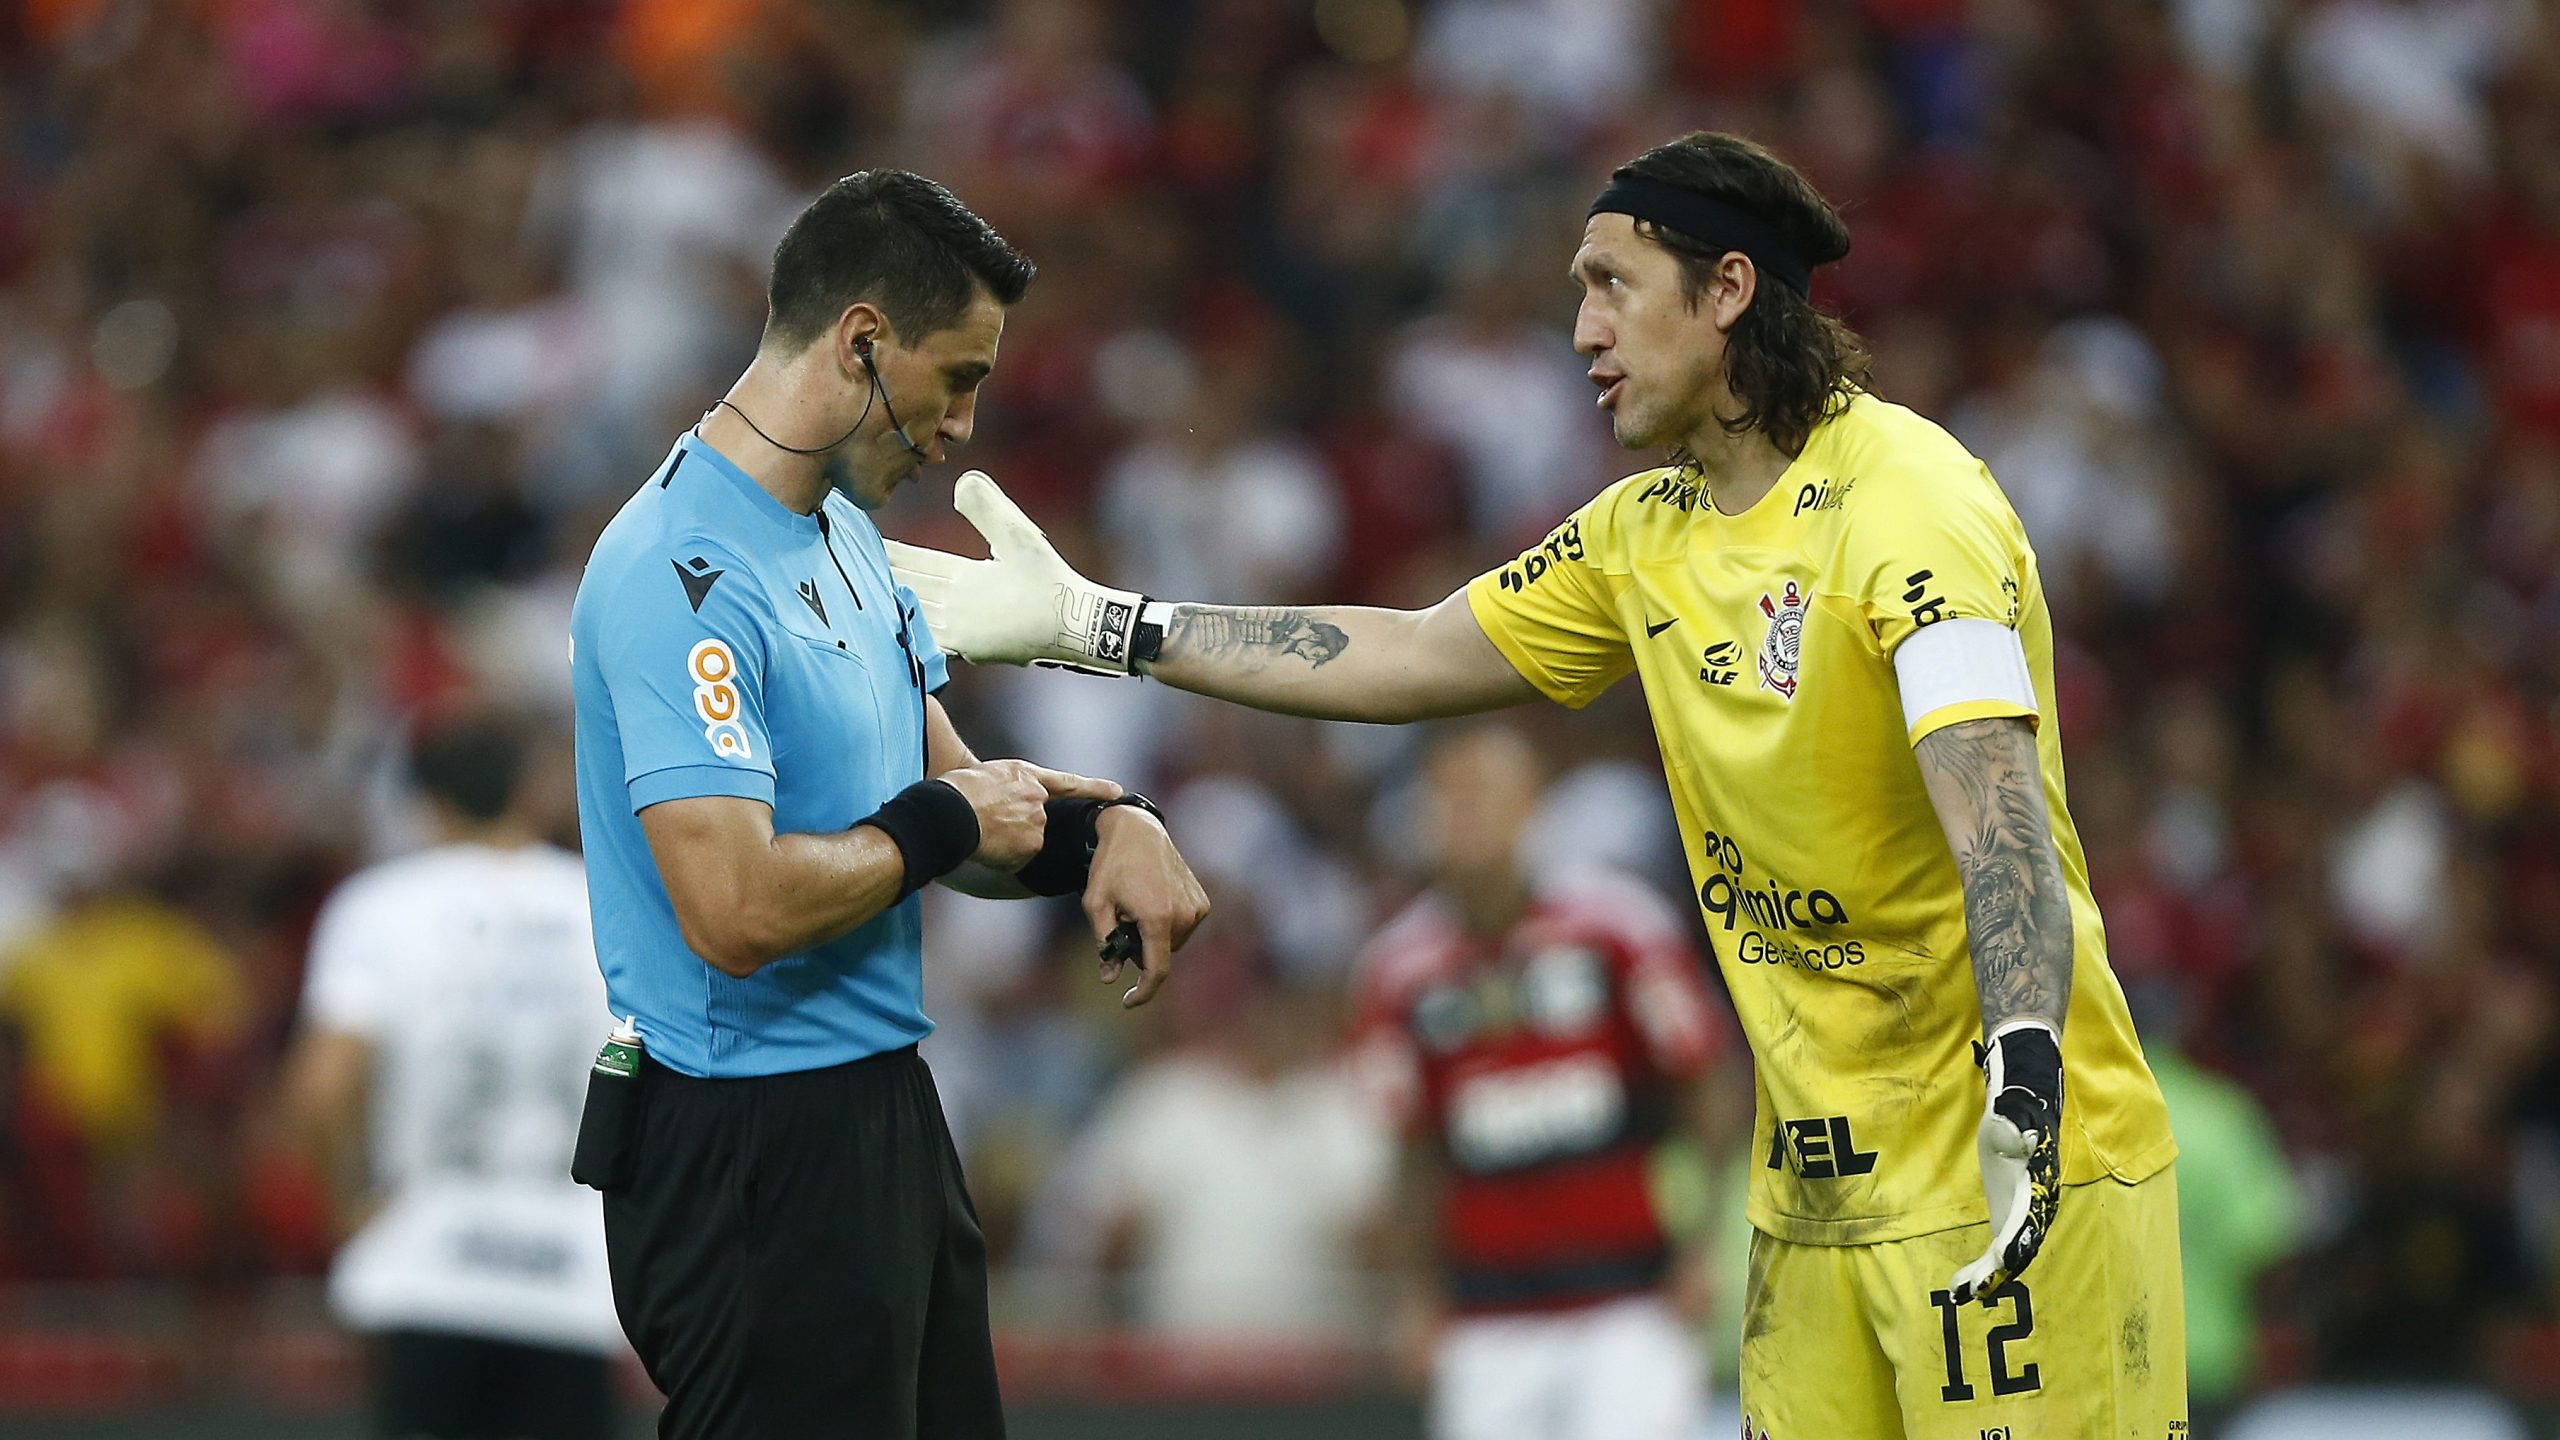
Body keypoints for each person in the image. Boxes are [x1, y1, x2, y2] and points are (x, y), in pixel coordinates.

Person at [890, 131, 2185, 1438]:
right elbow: (1398, 651)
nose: (1580, 328)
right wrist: (1096, 625)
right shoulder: (1641, 537)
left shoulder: (1912, 502)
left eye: (1612, 283)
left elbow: (1996, 807)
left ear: (1729, 290)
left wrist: (2025, 1067)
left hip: (2009, 1165)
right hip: (1815, 1208)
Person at [567, 170, 1210, 1440]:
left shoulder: (842, 534)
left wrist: (1109, 823)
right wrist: (950, 822)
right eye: (957, 376)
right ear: (863, 342)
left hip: (882, 1115)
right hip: (746, 1146)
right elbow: (736, 910)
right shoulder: (673, 572)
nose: (963, 424)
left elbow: (963, 805)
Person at [1350, 724, 1724, 1440]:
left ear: (1535, 805)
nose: (1467, 813)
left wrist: (1698, 1246)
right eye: (1449, 796)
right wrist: (1417, 1295)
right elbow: (1411, 1145)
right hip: (1486, 1318)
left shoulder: (1619, 928)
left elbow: (1704, 1081)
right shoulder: (1396, 969)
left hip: (1629, 1304)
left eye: (1486, 792)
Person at [282, 715, 622, 1440]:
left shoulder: (380, 907)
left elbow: (320, 1089)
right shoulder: (602, 905)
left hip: (426, 1256)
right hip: (570, 1270)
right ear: (533, 795)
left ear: (424, 801)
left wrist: (349, 1203)